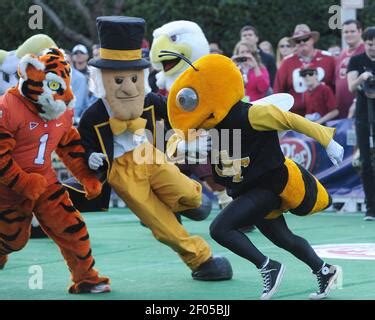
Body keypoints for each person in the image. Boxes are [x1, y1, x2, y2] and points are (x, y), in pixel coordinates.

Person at [166, 53, 344, 300]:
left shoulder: (251, 114)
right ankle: (324, 271)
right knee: (284, 238)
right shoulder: (207, 124)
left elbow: (291, 119)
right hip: (246, 189)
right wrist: (185, 147)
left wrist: (327, 140)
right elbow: (173, 140)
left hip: (269, 185)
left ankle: (268, 266)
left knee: (220, 228)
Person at [75, 16, 233, 280]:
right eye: (118, 80)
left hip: (149, 155)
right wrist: (92, 157)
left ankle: (189, 202)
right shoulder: (94, 114)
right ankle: (201, 260)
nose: (127, 87)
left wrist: (189, 137)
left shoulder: (151, 101)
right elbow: (85, 143)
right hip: (121, 171)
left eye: (134, 78)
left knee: (191, 195)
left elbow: (176, 119)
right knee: (160, 222)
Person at [0, 48, 110, 293]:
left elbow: (70, 144)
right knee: (14, 240)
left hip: (45, 181)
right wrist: (22, 183)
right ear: (31, 75)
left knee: (72, 227)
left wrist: (86, 176)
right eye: (55, 84)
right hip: (7, 189)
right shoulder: (8, 107)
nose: (67, 95)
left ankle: (86, 278)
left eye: (66, 84)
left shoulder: (61, 110)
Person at [273, 24, 336, 116]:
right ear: (294, 43)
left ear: (312, 39)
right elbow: (278, 90)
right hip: (296, 116)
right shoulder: (287, 62)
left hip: (325, 116)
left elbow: (336, 87)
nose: (302, 42)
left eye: (305, 39)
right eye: (298, 41)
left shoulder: (328, 58)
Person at [347, 26, 375, 221]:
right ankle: (370, 207)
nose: (373, 48)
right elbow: (350, 86)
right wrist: (362, 78)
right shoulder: (356, 61)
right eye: (370, 44)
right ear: (364, 43)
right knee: (365, 162)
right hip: (363, 116)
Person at [336, 19, 365, 119]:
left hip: (360, 108)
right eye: (346, 32)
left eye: (352, 31)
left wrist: (356, 101)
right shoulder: (342, 54)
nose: (349, 34)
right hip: (342, 110)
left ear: (360, 32)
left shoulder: (366, 50)